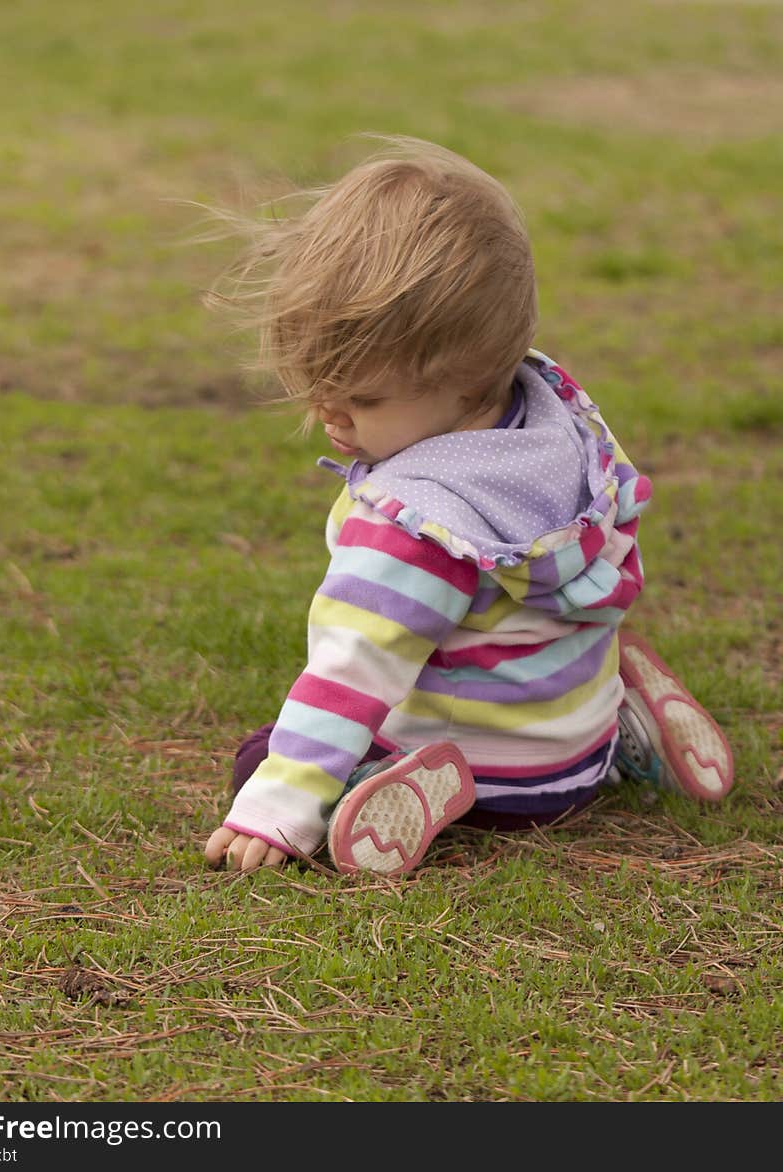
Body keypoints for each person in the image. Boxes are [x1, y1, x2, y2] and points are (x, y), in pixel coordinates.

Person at [201, 136, 734, 876]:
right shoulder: (559, 430)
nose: (328, 412)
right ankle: (623, 719)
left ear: (464, 380)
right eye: (319, 384)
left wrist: (276, 803)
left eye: (363, 398)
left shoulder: (414, 522)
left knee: (261, 753)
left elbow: (353, 669)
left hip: (492, 784)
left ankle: (407, 781)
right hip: (571, 763)